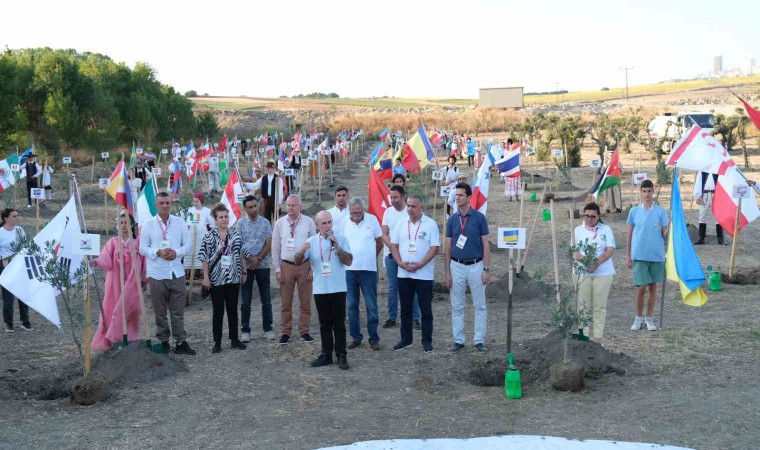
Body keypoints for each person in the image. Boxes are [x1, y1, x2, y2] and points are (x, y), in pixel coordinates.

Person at [139, 192, 196, 355]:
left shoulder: (179, 222)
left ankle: (180, 342)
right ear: (156, 205)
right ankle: (164, 341)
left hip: (176, 272)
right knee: (160, 311)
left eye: (167, 203)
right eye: (161, 203)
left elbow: (188, 244)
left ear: (171, 204)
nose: (165, 206)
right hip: (157, 274)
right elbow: (142, 248)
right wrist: (158, 252)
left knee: (178, 311)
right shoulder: (148, 225)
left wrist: (176, 252)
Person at [295, 211, 353, 370]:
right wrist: (301, 251)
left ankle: (341, 355)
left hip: (338, 287)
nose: (328, 226)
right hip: (321, 289)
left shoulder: (341, 238)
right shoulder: (311, 241)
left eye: (329, 222)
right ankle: (326, 354)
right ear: (317, 225)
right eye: (324, 223)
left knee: (339, 324)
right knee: (324, 324)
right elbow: (297, 261)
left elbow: (349, 261)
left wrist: (337, 247)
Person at [444, 183, 491, 353]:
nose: (457, 198)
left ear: (469, 197)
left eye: (460, 195)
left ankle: (479, 340)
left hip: (476, 265)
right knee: (457, 306)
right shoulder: (452, 220)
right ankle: (458, 340)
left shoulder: (479, 218)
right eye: (456, 195)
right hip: (456, 266)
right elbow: (447, 247)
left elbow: (485, 245)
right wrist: (447, 272)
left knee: (479, 305)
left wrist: (486, 269)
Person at [390, 195, 440, 352]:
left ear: (421, 208)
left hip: (424, 274)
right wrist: (399, 263)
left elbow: (434, 248)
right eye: (408, 206)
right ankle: (406, 339)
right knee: (405, 308)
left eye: (413, 206)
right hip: (404, 274)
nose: (410, 209)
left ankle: (426, 341)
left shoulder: (430, 224)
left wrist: (421, 264)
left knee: (425, 309)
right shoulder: (400, 223)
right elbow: (393, 245)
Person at [90, 212, 147, 350]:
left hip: (132, 282)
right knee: (112, 309)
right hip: (115, 282)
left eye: (126, 222)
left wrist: (144, 280)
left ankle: (130, 339)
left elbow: (145, 262)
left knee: (130, 309)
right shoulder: (113, 242)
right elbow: (105, 259)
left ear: (132, 224)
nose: (123, 225)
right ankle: (113, 340)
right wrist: (96, 262)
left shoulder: (138, 242)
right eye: (121, 223)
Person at [200, 204, 248, 353]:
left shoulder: (235, 235)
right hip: (216, 280)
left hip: (233, 278)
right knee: (218, 311)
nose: (224, 219)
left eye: (226, 216)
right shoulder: (209, 236)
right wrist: (206, 277)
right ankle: (217, 342)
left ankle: (234, 340)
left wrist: (244, 272)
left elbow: (241, 254)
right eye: (221, 217)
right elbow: (204, 258)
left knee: (233, 310)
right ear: (215, 219)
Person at [272, 194, 316, 344]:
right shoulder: (280, 223)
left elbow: (314, 247)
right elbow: (275, 247)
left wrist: (312, 268)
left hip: (304, 266)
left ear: (300, 207)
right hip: (286, 266)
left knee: (305, 301)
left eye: (294, 205)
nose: (290, 208)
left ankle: (304, 331)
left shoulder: (309, 222)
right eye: (288, 205)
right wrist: (277, 269)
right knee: (286, 302)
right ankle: (286, 332)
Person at [341, 197, 383, 350]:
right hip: (349, 271)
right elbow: (341, 243)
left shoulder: (372, 220)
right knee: (352, 305)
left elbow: (379, 242)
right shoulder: (344, 222)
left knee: (371, 305)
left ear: (363, 209)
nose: (356, 215)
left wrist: (371, 256)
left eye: (359, 212)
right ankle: (356, 337)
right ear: (349, 211)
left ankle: (374, 338)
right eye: (353, 213)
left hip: (368, 270)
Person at [626, 180, 668, 332]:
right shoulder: (634, 211)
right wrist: (628, 255)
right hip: (639, 255)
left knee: (653, 288)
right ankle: (638, 318)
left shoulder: (661, 212)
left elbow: (664, 234)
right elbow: (630, 234)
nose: (647, 194)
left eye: (649, 191)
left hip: (656, 256)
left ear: (653, 192)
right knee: (641, 288)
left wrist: (670, 228)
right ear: (640, 192)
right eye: (644, 191)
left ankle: (649, 318)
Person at [573, 202, 616, 344]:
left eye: (592, 216)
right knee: (583, 306)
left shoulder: (606, 230)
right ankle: (584, 338)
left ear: (598, 216)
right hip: (582, 273)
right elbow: (575, 252)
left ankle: (598, 340)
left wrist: (595, 263)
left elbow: (610, 250)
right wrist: (587, 262)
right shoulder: (577, 230)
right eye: (586, 216)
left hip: (603, 273)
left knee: (599, 306)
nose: (589, 219)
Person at [381, 185, 421, 329]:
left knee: (411, 286)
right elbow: (384, 233)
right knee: (393, 287)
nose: (393, 200)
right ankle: (392, 317)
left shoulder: (409, 211)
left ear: (402, 197)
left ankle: (415, 318)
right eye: (391, 197)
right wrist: (393, 247)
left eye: (395, 197)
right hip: (391, 256)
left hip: (408, 256)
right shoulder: (388, 212)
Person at [237, 195, 275, 342]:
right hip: (246, 267)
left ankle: (268, 328)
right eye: (250, 207)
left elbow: (269, 243)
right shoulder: (241, 224)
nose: (254, 209)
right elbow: (239, 244)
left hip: (263, 265)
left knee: (266, 299)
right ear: (245, 209)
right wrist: (249, 259)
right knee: (245, 301)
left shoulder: (265, 222)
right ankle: (245, 330)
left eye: (255, 206)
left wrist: (257, 258)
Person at [1, 209, 31, 333]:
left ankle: (25, 321)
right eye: (14, 216)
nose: (16, 218)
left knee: (22, 294)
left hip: (19, 266)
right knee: (8, 296)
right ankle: (9, 323)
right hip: (5, 266)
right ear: (6, 219)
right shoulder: (0, 232)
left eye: (17, 216)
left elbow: (25, 247)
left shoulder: (19, 230)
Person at [184, 193, 215, 280]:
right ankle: (191, 273)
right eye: (194, 201)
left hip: (202, 236)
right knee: (191, 253)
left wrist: (209, 233)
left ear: (201, 201)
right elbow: (189, 223)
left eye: (197, 201)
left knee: (202, 253)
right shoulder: (191, 210)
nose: (195, 203)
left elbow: (212, 224)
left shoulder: (207, 211)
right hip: (192, 235)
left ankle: (202, 273)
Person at [693, 171, 724, 245]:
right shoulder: (702, 170)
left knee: (718, 217)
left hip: (716, 194)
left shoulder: (718, 170)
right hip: (705, 195)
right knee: (702, 216)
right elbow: (698, 183)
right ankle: (701, 238)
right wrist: (697, 196)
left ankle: (720, 238)